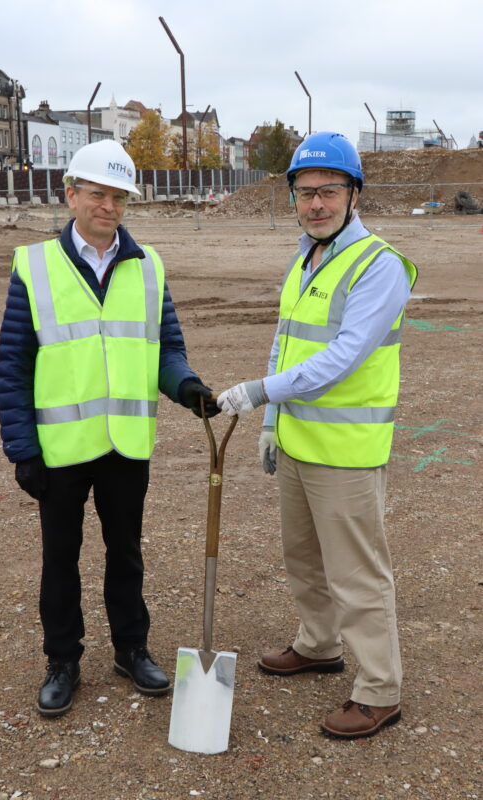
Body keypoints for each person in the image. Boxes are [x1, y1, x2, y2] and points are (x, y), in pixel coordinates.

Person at [0, 139, 219, 717]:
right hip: (61, 449)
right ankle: (62, 660)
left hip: (126, 444)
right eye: (97, 193)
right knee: (59, 557)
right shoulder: (35, 266)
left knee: (126, 553)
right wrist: (22, 447)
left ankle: (131, 649)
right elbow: (14, 363)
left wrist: (185, 385)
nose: (109, 206)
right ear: (71, 194)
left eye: (119, 196)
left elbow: (165, 348)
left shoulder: (149, 267)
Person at [217, 132, 417, 739]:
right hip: (301, 444)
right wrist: (275, 423)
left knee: (357, 573)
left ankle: (381, 690)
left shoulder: (378, 266)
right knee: (304, 561)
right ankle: (319, 644)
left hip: (348, 455)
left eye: (330, 191)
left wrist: (259, 394)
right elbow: (287, 341)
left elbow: (345, 356)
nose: (317, 204)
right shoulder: (306, 259)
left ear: (355, 194)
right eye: (306, 193)